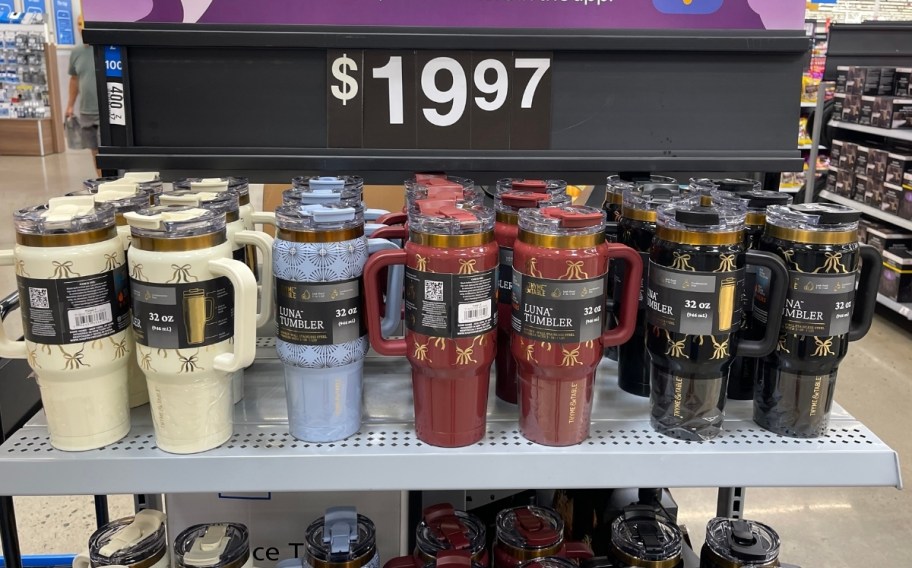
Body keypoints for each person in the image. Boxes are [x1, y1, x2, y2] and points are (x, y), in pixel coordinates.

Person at [65, 16, 100, 174]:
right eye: (79, 24)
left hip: (105, 111)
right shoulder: (77, 52)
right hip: (87, 111)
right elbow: (74, 79)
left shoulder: (104, 48)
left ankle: (113, 181)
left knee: (106, 150)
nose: (82, 28)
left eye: (84, 24)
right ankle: (101, 181)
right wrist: (70, 105)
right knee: (94, 150)